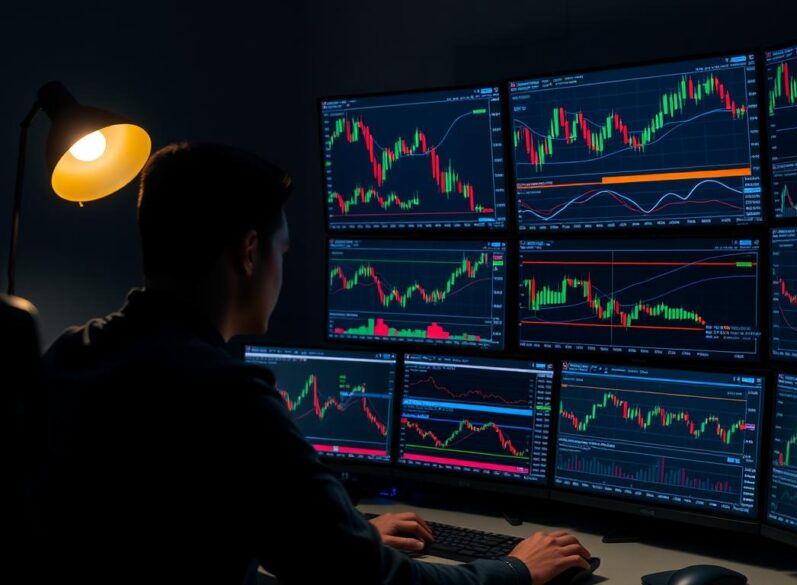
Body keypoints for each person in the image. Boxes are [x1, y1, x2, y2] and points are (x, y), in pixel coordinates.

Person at [37, 143, 591, 585]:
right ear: (248, 253)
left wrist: (343, 536)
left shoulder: (70, 354)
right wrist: (516, 569)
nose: (281, 268)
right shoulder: (227, 396)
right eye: (282, 251)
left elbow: (168, 532)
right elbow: (375, 582)